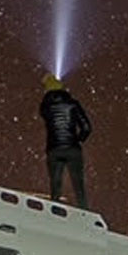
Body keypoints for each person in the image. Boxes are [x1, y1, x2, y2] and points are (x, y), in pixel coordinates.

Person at [39, 73, 92, 208]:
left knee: (55, 186)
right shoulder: (73, 104)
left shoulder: (45, 106)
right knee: (78, 184)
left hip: (54, 149)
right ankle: (84, 210)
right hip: (72, 148)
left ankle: (55, 212)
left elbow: (45, 117)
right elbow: (87, 127)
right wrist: (78, 139)